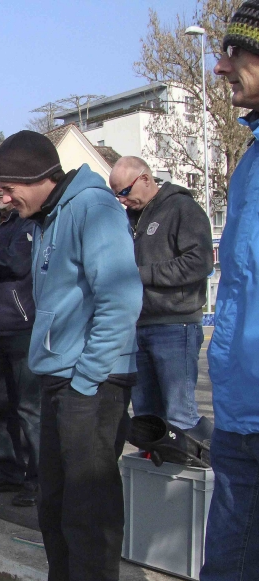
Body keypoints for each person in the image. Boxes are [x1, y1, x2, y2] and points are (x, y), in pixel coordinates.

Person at [0, 131, 142, 581]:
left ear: (38, 178)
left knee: (88, 515)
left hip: (92, 384)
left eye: (8, 188)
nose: (4, 199)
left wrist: (86, 378)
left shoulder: (94, 209)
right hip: (62, 380)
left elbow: (120, 298)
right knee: (54, 510)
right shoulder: (47, 217)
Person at [203, 16, 259, 581]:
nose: (221, 68)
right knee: (231, 576)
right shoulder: (248, 160)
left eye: (236, 53)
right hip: (243, 410)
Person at [108, 156, 214, 440]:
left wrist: (142, 274)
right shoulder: (127, 219)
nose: (122, 200)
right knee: (146, 417)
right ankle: (153, 464)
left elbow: (199, 262)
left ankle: (201, 459)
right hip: (137, 325)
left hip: (175, 324)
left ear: (145, 178)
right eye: (116, 194)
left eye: (125, 191)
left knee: (180, 415)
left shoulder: (182, 208)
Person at [0, 172, 42, 508]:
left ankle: (38, 477)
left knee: (29, 408)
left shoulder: (26, 222)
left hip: (21, 325)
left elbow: (17, 263)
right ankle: (9, 469)